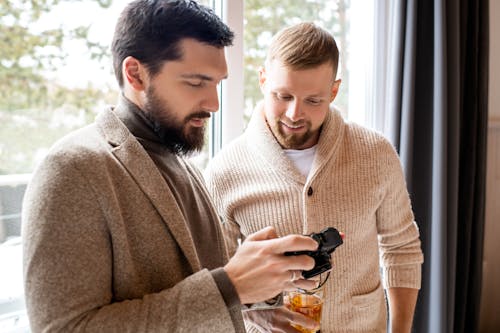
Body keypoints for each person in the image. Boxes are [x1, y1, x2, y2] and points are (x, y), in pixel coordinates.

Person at [21, 2, 321, 332]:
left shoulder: (187, 168)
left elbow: (197, 296)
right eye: (196, 83)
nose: (214, 104)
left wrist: (246, 305)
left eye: (217, 83)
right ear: (135, 73)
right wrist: (229, 288)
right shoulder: (70, 171)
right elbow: (65, 328)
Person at [204, 22, 424, 333]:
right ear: (263, 80)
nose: (294, 114)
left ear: (334, 91)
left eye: (313, 100)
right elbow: (216, 283)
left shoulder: (376, 154)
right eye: (283, 96)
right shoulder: (223, 171)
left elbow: (401, 248)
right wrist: (254, 315)